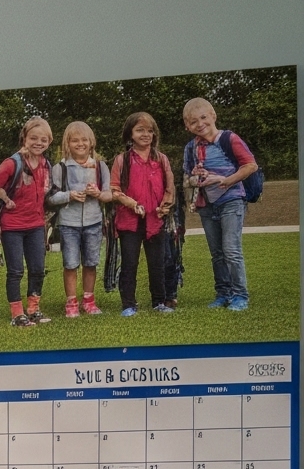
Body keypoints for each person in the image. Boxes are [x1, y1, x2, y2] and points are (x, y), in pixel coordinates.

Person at [182, 97, 258, 310]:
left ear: (213, 115)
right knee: (217, 253)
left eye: (203, 117)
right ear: (187, 126)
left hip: (231, 200)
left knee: (231, 250)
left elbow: (250, 165)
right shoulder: (191, 148)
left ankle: (240, 295)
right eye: (194, 121)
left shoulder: (228, 138)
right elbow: (187, 179)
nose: (200, 124)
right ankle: (223, 293)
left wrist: (226, 180)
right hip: (207, 204)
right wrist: (195, 177)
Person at [0, 115, 54, 327]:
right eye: (34, 138)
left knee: (38, 269)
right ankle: (17, 315)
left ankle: (33, 310)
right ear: (25, 138)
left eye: (43, 139)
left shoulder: (46, 165)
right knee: (15, 271)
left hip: (36, 226)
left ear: (49, 142)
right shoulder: (12, 163)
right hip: (12, 226)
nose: (38, 143)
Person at [108, 111, 178, 317]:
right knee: (130, 263)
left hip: (155, 220)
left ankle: (159, 302)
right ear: (130, 134)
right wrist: (132, 204)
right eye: (140, 130)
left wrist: (166, 205)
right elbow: (114, 190)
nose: (145, 134)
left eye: (150, 131)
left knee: (157, 264)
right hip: (129, 220)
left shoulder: (162, 159)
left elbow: (170, 188)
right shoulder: (122, 160)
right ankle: (128, 304)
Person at [47, 120, 109, 317]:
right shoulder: (60, 168)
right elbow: (50, 197)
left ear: (91, 142)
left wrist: (98, 193)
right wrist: (70, 195)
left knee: (90, 263)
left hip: (94, 222)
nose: (80, 144)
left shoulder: (100, 166)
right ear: (67, 143)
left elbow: (109, 194)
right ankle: (71, 303)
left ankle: (89, 301)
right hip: (68, 223)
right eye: (75, 140)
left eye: (84, 140)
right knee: (71, 264)